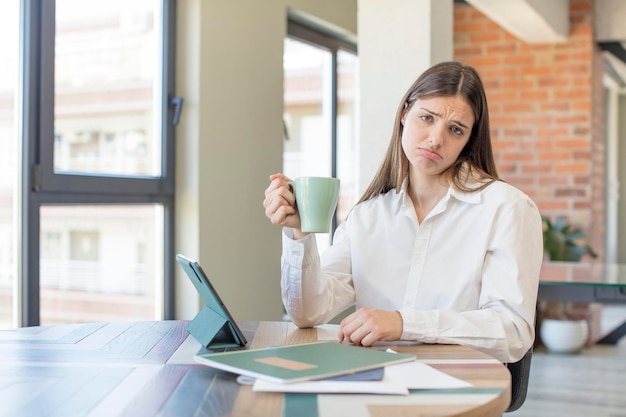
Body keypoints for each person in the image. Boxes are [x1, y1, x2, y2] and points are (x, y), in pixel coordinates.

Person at [263, 61, 543, 363]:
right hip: (373, 378)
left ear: (468, 141)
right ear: (404, 114)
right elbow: (308, 312)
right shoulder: (367, 217)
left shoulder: (507, 208)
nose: (436, 139)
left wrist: (403, 324)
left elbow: (513, 331)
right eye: (427, 118)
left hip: (456, 385)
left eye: (455, 129)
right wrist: (298, 232)